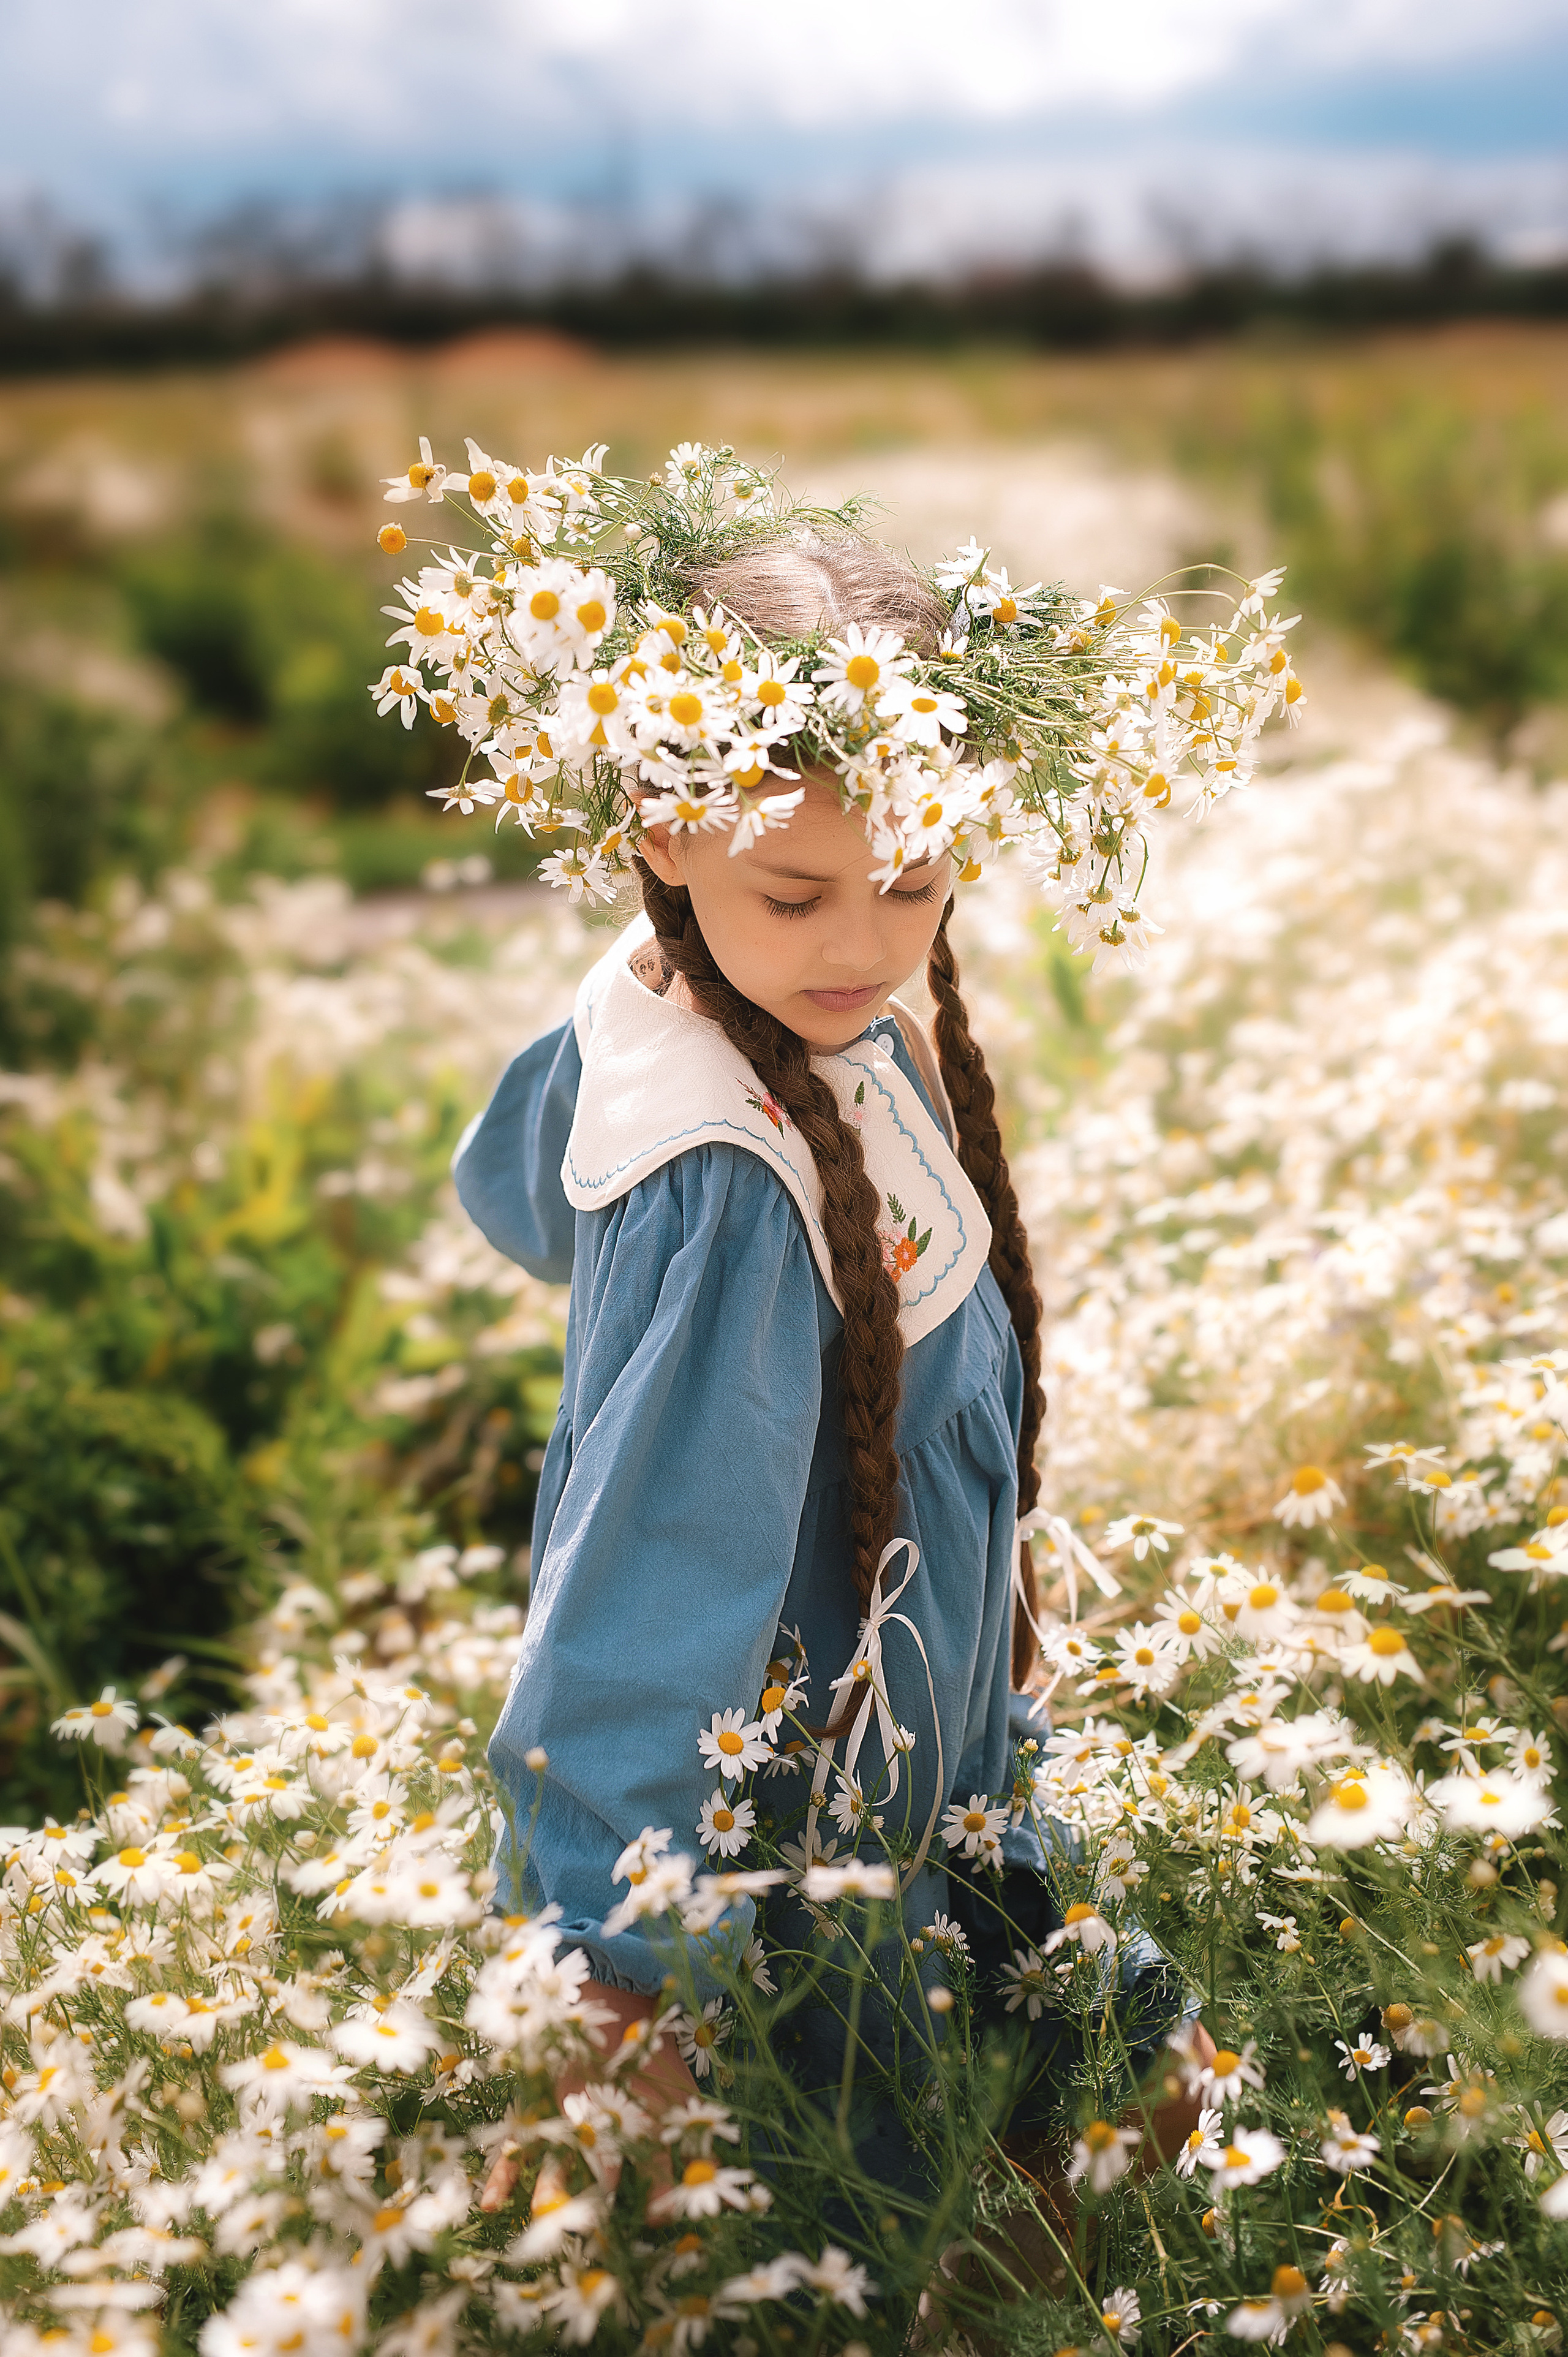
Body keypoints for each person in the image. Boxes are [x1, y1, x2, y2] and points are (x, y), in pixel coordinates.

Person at [451, 533, 1214, 2212]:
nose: (861, 944)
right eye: (794, 894)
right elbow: (647, 1582)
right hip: (815, 1828)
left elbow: (509, 1190)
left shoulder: (763, 1013)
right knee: (873, 2207)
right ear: (662, 833)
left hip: (939, 1759)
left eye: (918, 880)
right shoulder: (724, 1175)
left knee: (1136, 2090)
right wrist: (607, 1951)